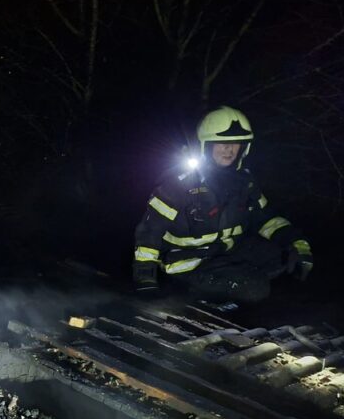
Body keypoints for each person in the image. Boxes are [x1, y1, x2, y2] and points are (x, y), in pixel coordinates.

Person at [132, 106, 312, 303]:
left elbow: (266, 219)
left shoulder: (244, 181)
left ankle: (224, 291)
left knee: (283, 258)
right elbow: (149, 231)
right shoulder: (180, 184)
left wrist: (296, 244)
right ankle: (191, 295)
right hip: (188, 262)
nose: (229, 149)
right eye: (222, 142)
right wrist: (145, 277)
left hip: (225, 253)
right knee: (254, 288)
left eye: (236, 143)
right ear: (206, 145)